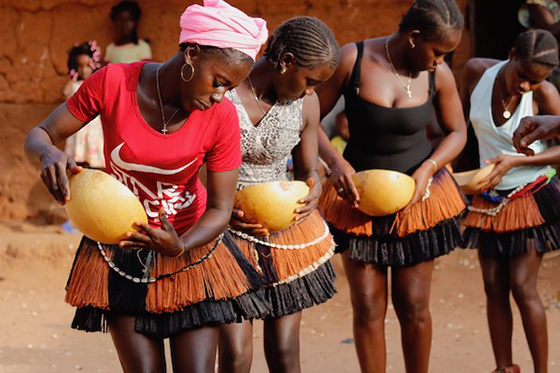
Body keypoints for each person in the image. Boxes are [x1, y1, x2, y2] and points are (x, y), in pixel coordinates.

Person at [24, 1, 270, 371]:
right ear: (192, 54)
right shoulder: (113, 83)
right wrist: (47, 154)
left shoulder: (221, 117)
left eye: (230, 88)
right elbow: (41, 134)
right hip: (122, 252)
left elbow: (220, 209)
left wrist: (180, 244)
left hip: (191, 250)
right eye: (218, 82)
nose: (221, 96)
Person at [315, 1, 467, 372]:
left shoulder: (439, 75)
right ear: (414, 38)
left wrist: (430, 167)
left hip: (416, 198)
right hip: (358, 199)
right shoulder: (353, 59)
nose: (440, 61)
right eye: (437, 52)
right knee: (367, 306)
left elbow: (458, 132)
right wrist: (336, 163)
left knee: (414, 306)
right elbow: (308, 119)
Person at [217, 17, 340, 373]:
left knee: (286, 352)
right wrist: (220, 210)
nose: (310, 91)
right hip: (225, 230)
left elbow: (306, 171)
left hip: (282, 232)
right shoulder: (223, 91)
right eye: (309, 81)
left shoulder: (306, 106)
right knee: (236, 355)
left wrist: (313, 187)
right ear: (286, 61)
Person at [460, 29, 560, 373]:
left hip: (530, 195)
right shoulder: (476, 72)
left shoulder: (545, 94)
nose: (526, 87)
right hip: (488, 197)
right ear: (511, 54)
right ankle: (504, 368)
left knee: (522, 284)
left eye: (535, 82)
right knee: (493, 285)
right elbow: (460, 128)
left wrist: (518, 161)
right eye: (522, 77)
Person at [63, 41, 105, 169]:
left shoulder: (97, 83)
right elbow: (65, 93)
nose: (84, 69)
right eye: (80, 66)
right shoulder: (75, 85)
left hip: (94, 130)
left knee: (93, 165)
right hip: (78, 129)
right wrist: (73, 76)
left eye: (88, 65)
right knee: (78, 164)